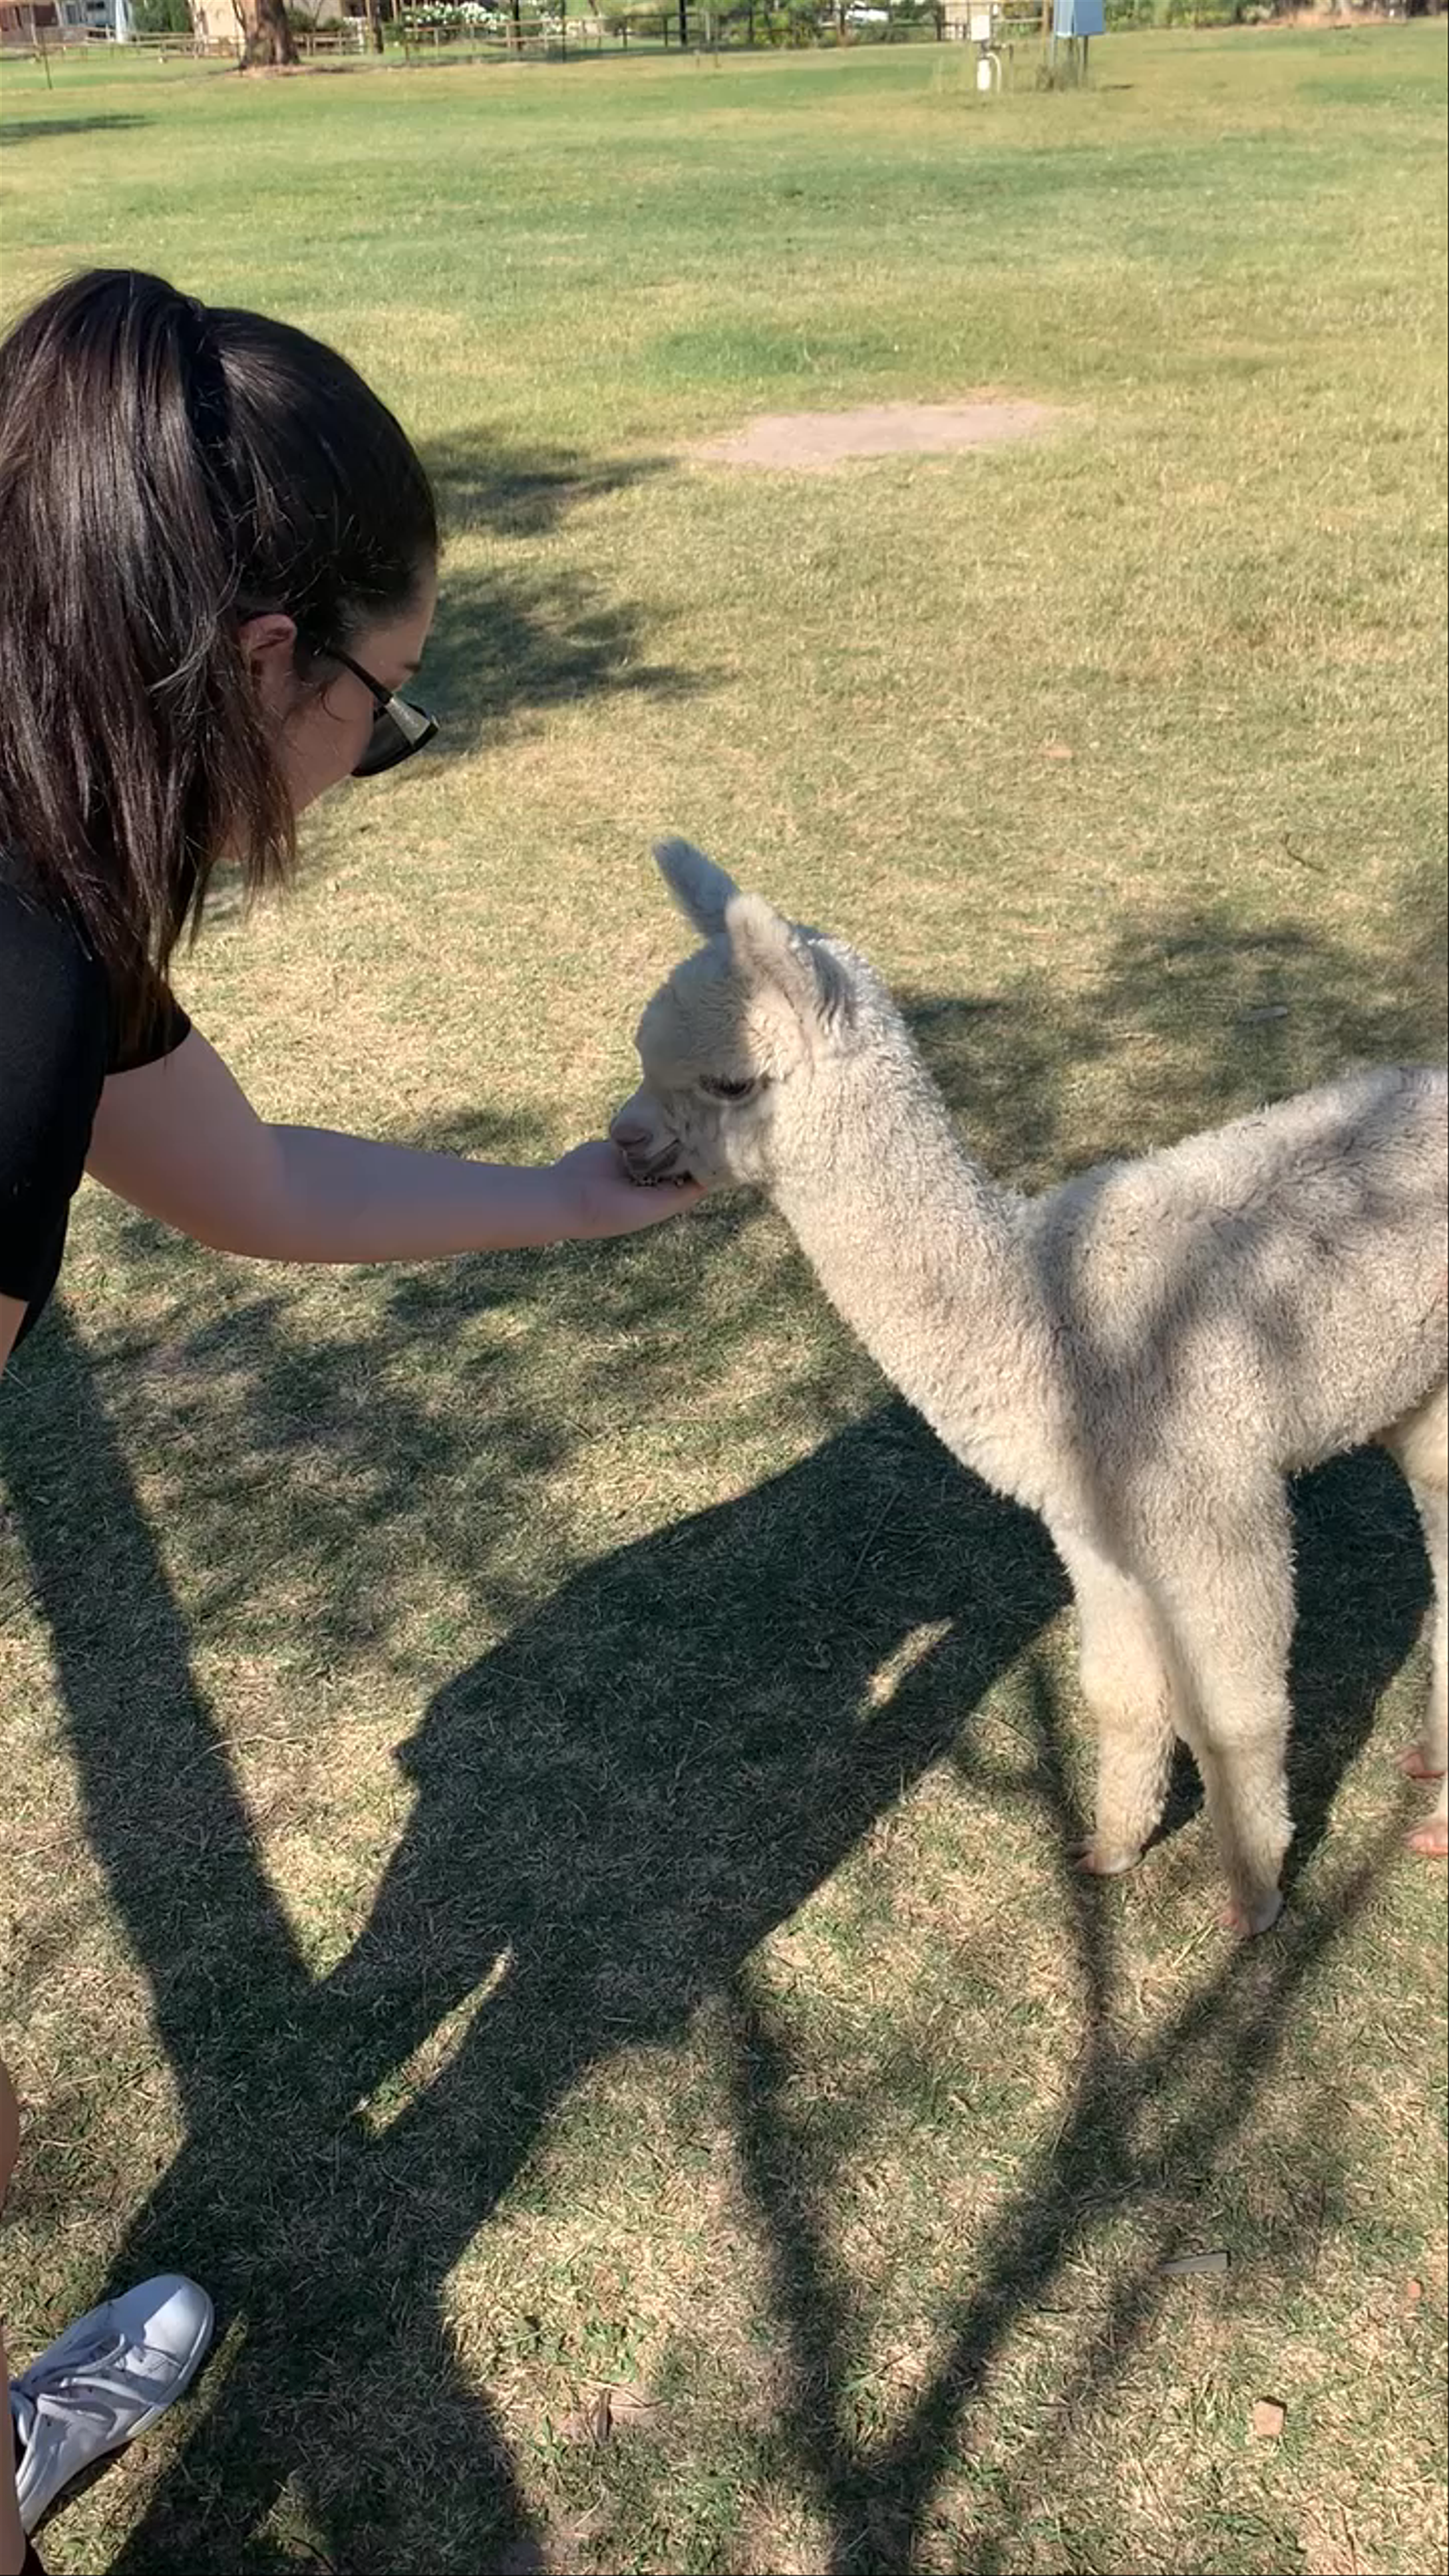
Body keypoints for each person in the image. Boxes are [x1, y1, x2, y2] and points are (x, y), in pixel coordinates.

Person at [0, 266, 701, 2571]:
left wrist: (561, 1209)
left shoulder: (50, 875)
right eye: (390, 713)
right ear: (271, 657)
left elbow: (251, 1177)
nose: (367, 774)